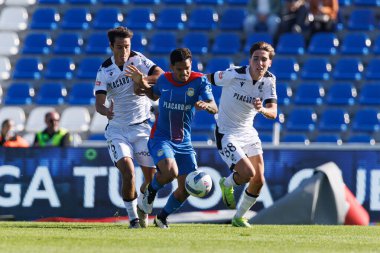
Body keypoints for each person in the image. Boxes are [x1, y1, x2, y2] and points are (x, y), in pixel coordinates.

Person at [126, 48, 218, 229]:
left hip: (184, 142)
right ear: (171, 67)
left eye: (187, 68)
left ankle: (162, 217)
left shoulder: (199, 81)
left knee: (185, 189)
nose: (184, 73)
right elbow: (153, 95)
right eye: (180, 69)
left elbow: (215, 107)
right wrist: (142, 84)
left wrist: (206, 106)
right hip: (161, 137)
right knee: (169, 172)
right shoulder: (164, 80)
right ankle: (150, 193)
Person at [94, 26, 164, 229]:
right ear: (111, 47)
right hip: (117, 130)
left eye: (127, 46)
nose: (124, 51)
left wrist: (142, 80)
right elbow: (99, 103)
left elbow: (160, 75)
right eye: (119, 47)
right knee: (128, 171)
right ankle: (133, 218)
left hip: (141, 127)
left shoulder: (138, 60)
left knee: (152, 179)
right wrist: (105, 110)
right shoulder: (104, 70)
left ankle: (142, 204)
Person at [206, 42, 278, 227]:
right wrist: (208, 102)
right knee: (247, 173)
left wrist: (261, 109)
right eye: (256, 58)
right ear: (250, 60)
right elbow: (206, 79)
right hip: (226, 132)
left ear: (269, 63)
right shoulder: (234, 74)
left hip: (248, 132)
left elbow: (273, 112)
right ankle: (227, 183)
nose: (259, 63)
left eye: (264, 59)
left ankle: (238, 217)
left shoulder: (269, 80)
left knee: (259, 180)